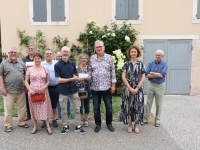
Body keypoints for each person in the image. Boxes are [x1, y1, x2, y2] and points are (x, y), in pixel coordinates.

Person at [54, 46, 86, 135]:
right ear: (61, 52)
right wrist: (71, 79)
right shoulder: (57, 65)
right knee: (63, 110)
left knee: (77, 108)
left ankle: (78, 126)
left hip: (73, 89)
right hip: (63, 91)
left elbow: (74, 75)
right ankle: (65, 126)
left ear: (70, 53)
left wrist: (77, 78)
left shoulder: (72, 63)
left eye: (67, 52)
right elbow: (59, 80)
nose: (66, 53)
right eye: (64, 51)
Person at [88, 40, 116, 133]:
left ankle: (109, 123)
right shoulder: (92, 58)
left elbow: (113, 72)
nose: (99, 48)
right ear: (95, 49)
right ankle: (98, 124)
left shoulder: (109, 58)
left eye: (100, 46)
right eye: (97, 47)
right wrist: (88, 76)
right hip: (95, 87)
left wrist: (113, 85)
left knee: (109, 107)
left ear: (104, 47)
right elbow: (90, 71)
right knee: (96, 107)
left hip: (107, 87)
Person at [0, 47, 29, 132]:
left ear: (17, 54)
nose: (13, 54)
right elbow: (0, 76)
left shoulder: (21, 63)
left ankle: (21, 122)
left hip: (21, 90)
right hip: (8, 91)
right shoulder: (3, 64)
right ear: (8, 53)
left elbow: (25, 75)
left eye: (15, 52)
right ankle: (8, 125)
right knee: (8, 109)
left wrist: (26, 87)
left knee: (22, 108)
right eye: (11, 52)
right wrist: (2, 88)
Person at [24, 53, 53, 135]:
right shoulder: (29, 69)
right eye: (35, 58)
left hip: (43, 92)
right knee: (33, 109)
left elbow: (48, 81)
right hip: (32, 92)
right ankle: (35, 126)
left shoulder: (45, 69)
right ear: (33, 59)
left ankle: (48, 126)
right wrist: (30, 89)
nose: (37, 60)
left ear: (41, 59)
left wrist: (44, 87)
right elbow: (26, 81)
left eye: (38, 58)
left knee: (44, 109)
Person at [120, 45, 145, 133]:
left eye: (135, 52)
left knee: (138, 106)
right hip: (128, 88)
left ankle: (136, 125)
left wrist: (137, 88)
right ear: (129, 53)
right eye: (132, 52)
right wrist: (130, 88)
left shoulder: (141, 64)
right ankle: (130, 124)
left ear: (137, 53)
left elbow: (143, 77)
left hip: (138, 88)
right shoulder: (126, 64)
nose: (133, 53)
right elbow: (123, 77)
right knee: (128, 106)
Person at [143, 49, 168, 127]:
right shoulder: (150, 63)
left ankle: (157, 120)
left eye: (159, 55)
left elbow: (162, 75)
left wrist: (152, 73)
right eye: (156, 55)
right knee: (148, 102)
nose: (157, 56)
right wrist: (157, 74)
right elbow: (146, 75)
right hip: (151, 84)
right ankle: (145, 119)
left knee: (159, 103)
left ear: (162, 56)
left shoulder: (165, 64)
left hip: (160, 86)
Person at [41, 48, 59, 128]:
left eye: (50, 53)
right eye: (47, 53)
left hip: (55, 87)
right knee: (44, 104)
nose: (48, 55)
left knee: (53, 104)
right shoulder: (41, 64)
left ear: (53, 55)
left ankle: (54, 119)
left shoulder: (57, 63)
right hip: (44, 88)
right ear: (45, 55)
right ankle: (45, 119)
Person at [56, 52, 72, 120]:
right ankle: (60, 114)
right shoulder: (56, 64)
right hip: (56, 86)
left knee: (68, 101)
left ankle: (68, 114)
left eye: (61, 56)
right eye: (58, 56)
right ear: (57, 57)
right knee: (59, 101)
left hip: (66, 86)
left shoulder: (68, 63)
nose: (60, 57)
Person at [76, 53, 91, 127]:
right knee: (80, 105)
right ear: (79, 60)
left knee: (87, 105)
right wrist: (78, 79)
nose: (83, 60)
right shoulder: (76, 68)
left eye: (85, 58)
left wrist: (89, 78)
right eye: (82, 58)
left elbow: (92, 77)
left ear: (87, 59)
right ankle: (81, 119)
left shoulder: (89, 68)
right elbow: (74, 77)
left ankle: (86, 119)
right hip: (79, 89)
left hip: (87, 89)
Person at [22, 44, 36, 121]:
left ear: (35, 50)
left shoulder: (37, 58)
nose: (31, 50)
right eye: (29, 48)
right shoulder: (24, 59)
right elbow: (22, 71)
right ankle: (29, 115)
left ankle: (36, 114)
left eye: (32, 48)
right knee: (27, 99)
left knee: (37, 98)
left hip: (36, 82)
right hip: (27, 82)